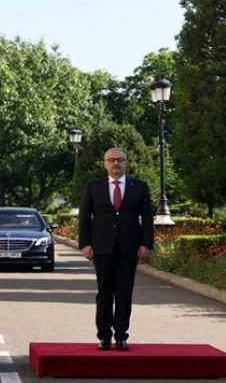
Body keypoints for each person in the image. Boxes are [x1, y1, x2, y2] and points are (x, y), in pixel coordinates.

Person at [78, 147, 154, 351]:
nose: (116, 163)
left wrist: (146, 243)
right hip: (102, 248)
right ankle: (104, 336)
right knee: (104, 293)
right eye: (111, 160)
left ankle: (121, 336)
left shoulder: (140, 187)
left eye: (120, 160)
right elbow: (84, 217)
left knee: (124, 293)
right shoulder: (94, 187)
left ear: (126, 163)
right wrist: (85, 243)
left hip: (129, 247)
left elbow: (147, 218)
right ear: (104, 163)